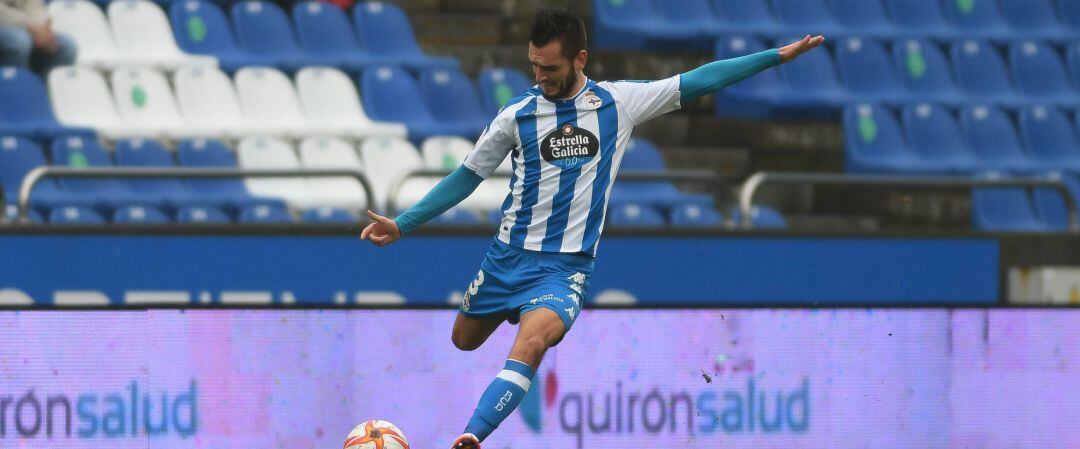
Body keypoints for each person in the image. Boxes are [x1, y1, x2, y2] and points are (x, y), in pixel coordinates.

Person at [361, 7, 824, 448]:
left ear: (580, 58)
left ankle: (473, 434)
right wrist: (404, 224)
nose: (540, 77)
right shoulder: (517, 115)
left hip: (564, 269)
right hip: (507, 257)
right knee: (463, 340)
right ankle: (509, 314)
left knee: (533, 340)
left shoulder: (618, 104)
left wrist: (774, 57)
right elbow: (467, 176)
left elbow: (699, 80)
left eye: (550, 67)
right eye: (534, 66)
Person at [0, 0, 76, 74]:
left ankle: (39, 85)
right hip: (7, 24)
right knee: (19, 41)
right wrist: (28, 25)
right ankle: (12, 83)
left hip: (25, 25)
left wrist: (41, 26)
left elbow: (33, 4)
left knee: (66, 47)